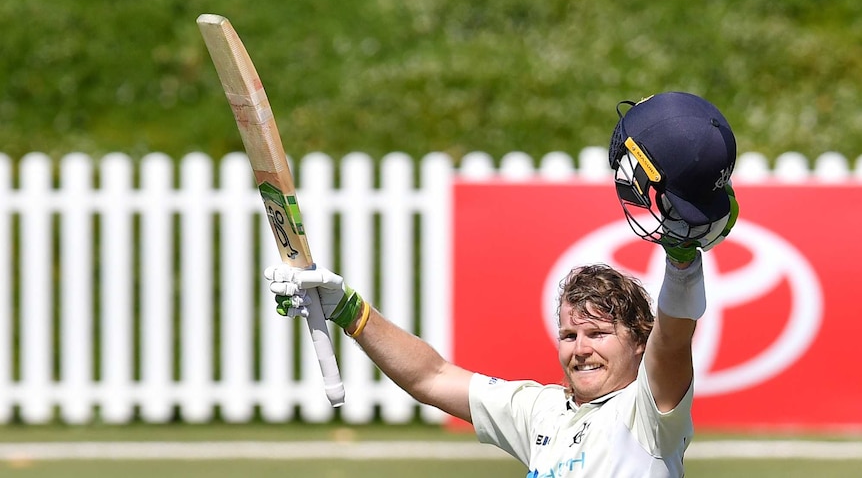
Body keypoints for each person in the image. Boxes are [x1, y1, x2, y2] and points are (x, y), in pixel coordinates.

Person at [264, 91, 739, 477]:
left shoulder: (650, 415)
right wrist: (349, 310)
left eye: (598, 334)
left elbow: (675, 336)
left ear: (639, 343)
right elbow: (431, 376)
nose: (580, 349)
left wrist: (681, 260)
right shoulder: (540, 412)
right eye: (570, 334)